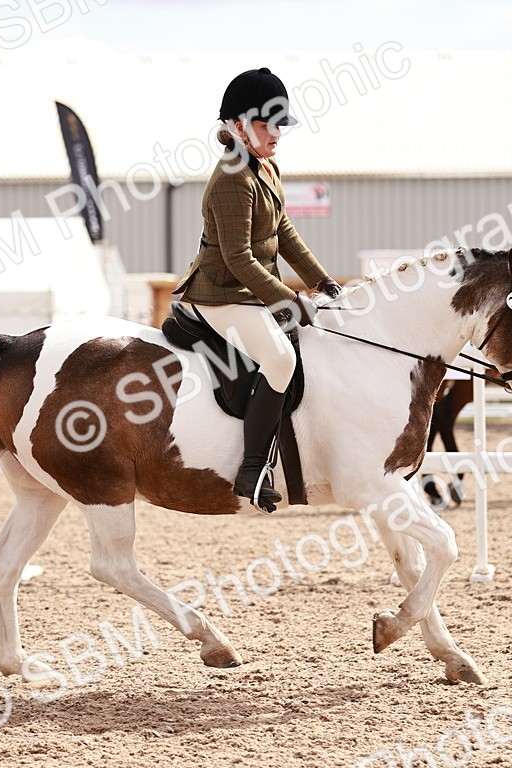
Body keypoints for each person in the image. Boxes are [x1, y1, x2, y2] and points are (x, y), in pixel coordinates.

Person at [173, 67, 342, 512]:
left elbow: (284, 232)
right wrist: (290, 300)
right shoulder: (232, 177)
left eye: (280, 125)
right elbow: (239, 259)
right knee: (281, 357)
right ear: (239, 126)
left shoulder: (264, 167)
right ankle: (251, 471)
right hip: (220, 295)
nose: (277, 134)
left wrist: (322, 280)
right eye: (269, 125)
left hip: (247, 292)